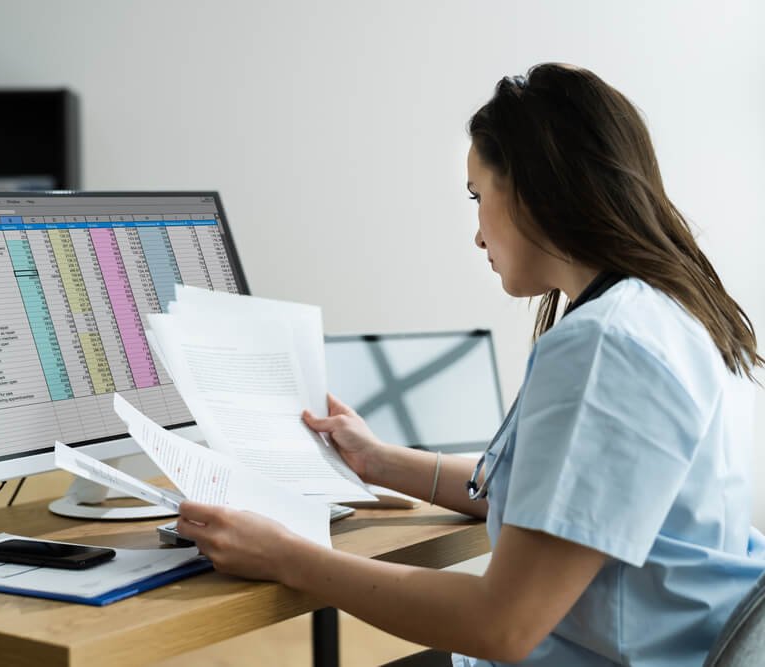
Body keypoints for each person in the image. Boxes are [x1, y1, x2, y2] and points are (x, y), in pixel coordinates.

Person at [176, 63, 765, 666]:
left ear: (535, 190)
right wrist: (376, 461)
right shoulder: (668, 311)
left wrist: (287, 556)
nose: (477, 235)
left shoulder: (605, 346)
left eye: (478, 196)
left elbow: (500, 626)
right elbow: (564, 510)